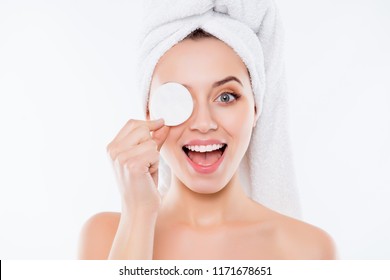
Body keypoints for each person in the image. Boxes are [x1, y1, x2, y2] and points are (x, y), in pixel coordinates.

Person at [78, 1, 336, 260]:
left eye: (226, 97)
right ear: (149, 113)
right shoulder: (105, 237)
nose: (203, 123)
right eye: (178, 98)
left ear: (256, 108)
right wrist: (138, 215)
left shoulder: (310, 250)